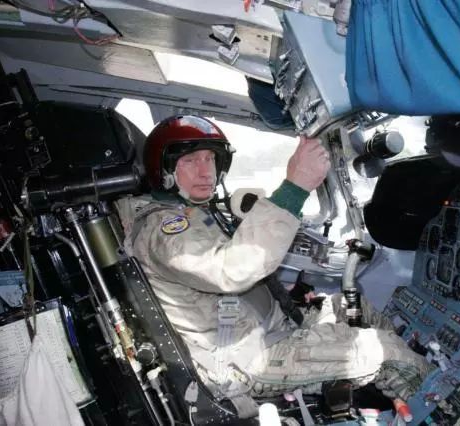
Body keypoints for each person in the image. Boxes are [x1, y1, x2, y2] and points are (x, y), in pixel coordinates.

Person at [120, 115, 430, 415]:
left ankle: (404, 390)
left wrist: (288, 299)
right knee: (388, 354)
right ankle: (437, 405)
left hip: (265, 328)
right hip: (246, 359)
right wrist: (295, 187)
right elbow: (230, 270)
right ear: (164, 169)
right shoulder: (165, 230)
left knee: (354, 307)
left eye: (210, 159)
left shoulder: (192, 212)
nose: (205, 172)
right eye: (190, 161)